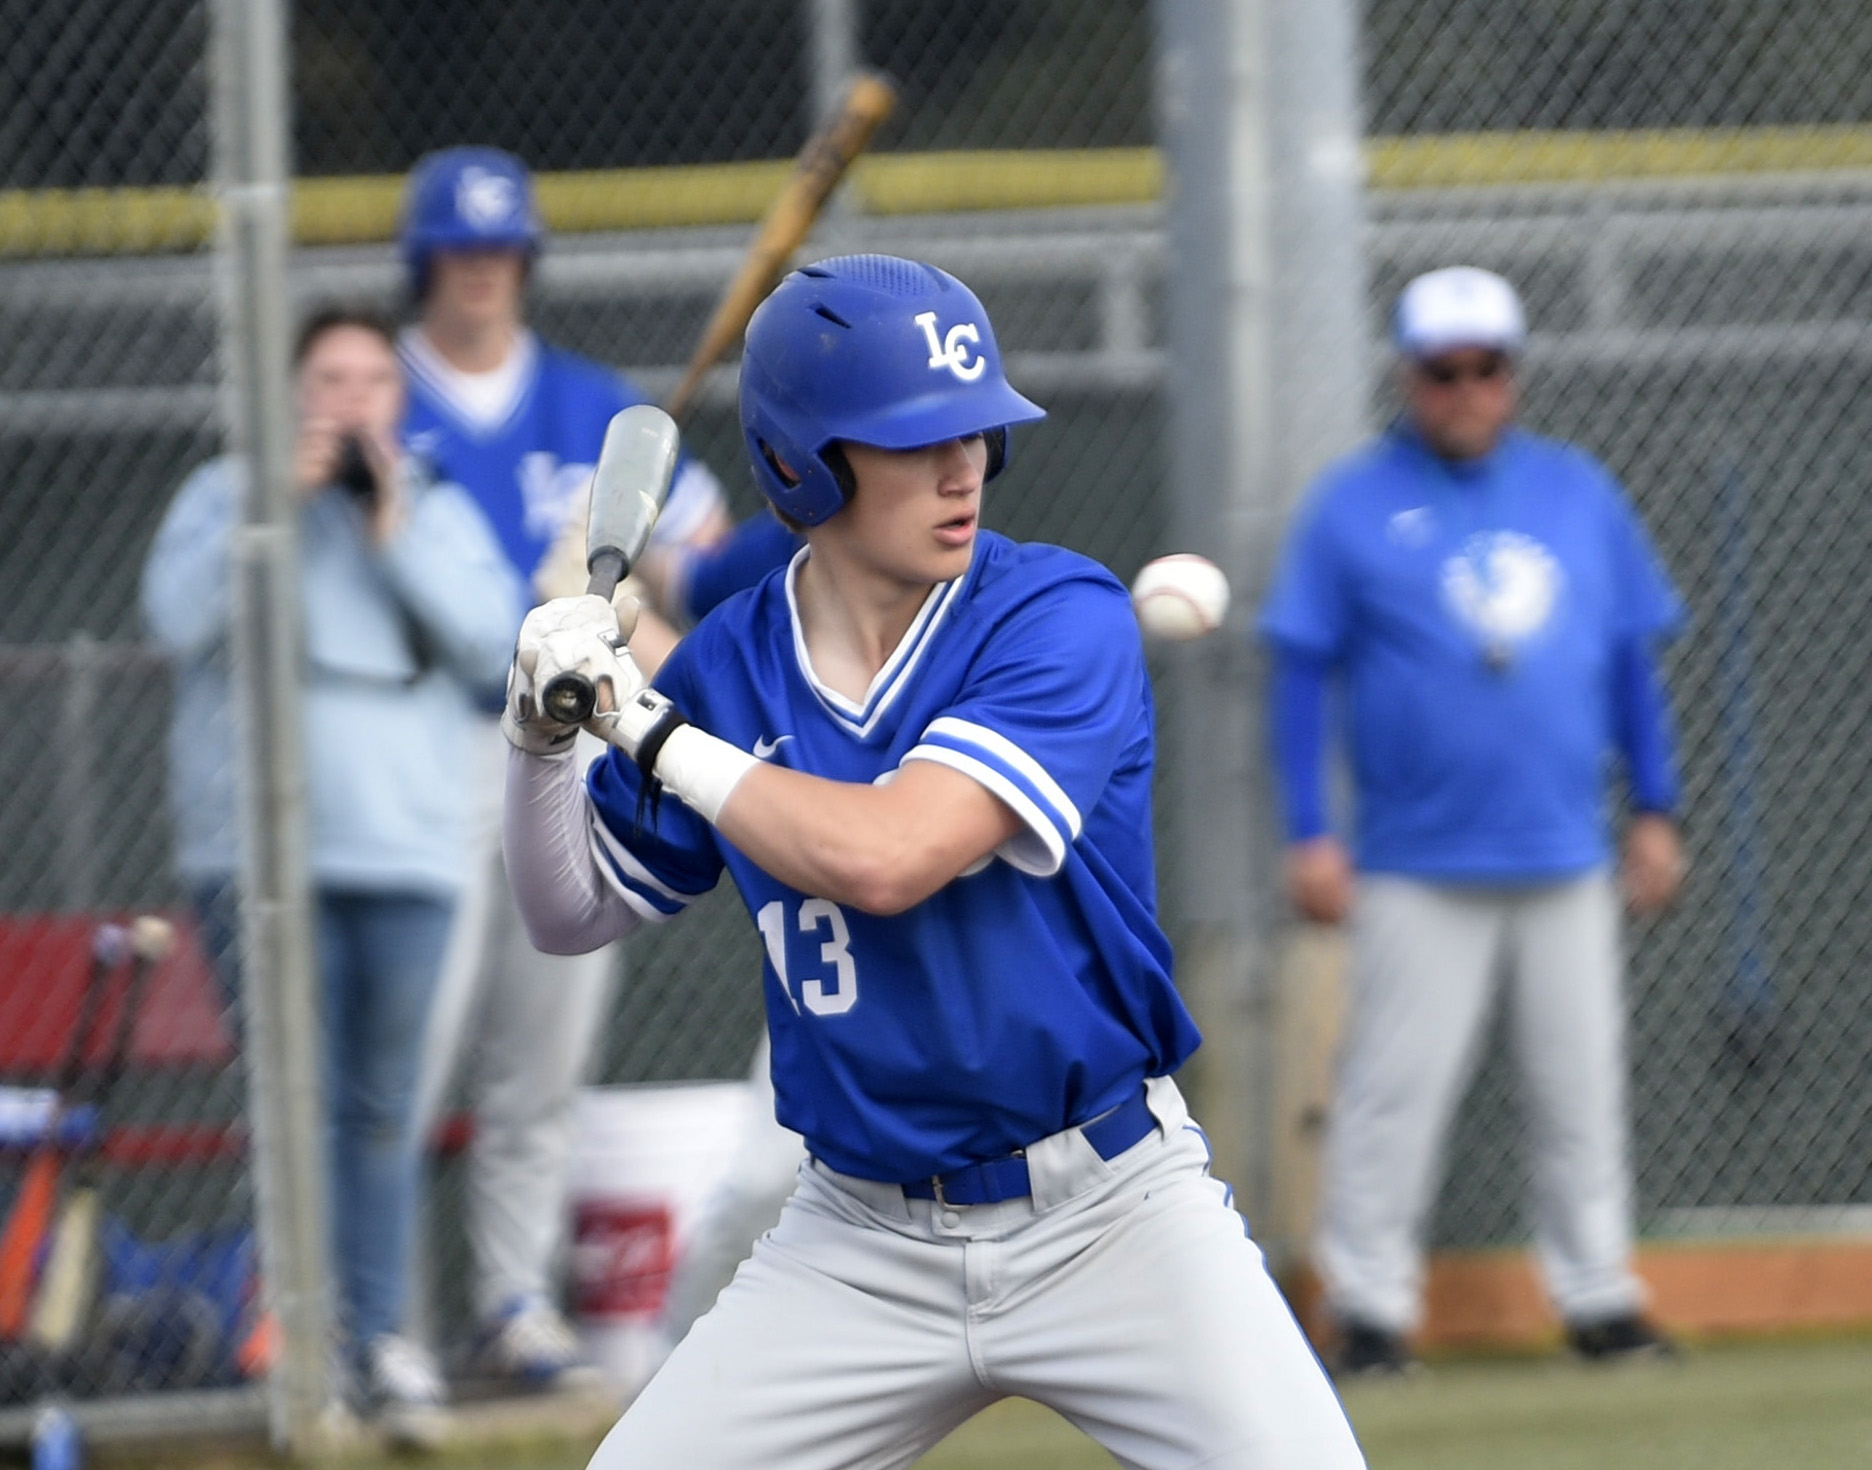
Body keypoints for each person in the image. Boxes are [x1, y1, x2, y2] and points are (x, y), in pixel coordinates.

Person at [501, 254, 1367, 1468]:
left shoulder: (1059, 614)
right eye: (916, 441)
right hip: (859, 1239)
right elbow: (566, 910)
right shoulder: (733, 665)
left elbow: (890, 856)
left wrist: (640, 727)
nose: (965, 468)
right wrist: (538, 741)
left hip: (1111, 1212)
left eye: (977, 432)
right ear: (808, 462)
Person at [394, 145, 795, 1388]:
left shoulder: (596, 410)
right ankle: (380, 1322)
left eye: (501, 253)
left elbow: (705, 560)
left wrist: (614, 601)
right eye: (459, 255)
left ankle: (513, 1301)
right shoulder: (378, 399)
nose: (481, 277)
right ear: (423, 265)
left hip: (573, 747)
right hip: (425, 746)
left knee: (542, 1051)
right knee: (408, 1059)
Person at [1258, 266, 1688, 1377]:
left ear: (1514, 374)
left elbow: (1632, 663)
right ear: (1408, 374)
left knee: (1580, 1089)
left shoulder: (1578, 492)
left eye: (1485, 367)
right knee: (1392, 1094)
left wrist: (1656, 808)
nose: (1464, 389)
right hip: (1415, 858)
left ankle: (1599, 1298)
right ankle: (1367, 1309)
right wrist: (1310, 829)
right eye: (1442, 369)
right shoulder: (1350, 503)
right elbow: (1301, 676)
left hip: (1563, 850)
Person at [141, 303, 523, 1443]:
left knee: (381, 1114)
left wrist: (388, 527)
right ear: (291, 392)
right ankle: (301, 1350)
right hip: (261, 865)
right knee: (291, 1107)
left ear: (396, 401)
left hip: (405, 853)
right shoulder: (226, 498)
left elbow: (489, 643)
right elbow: (175, 621)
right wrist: (275, 513)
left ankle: (384, 1345)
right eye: (328, 378)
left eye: (370, 380)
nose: (348, 400)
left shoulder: (440, 508)